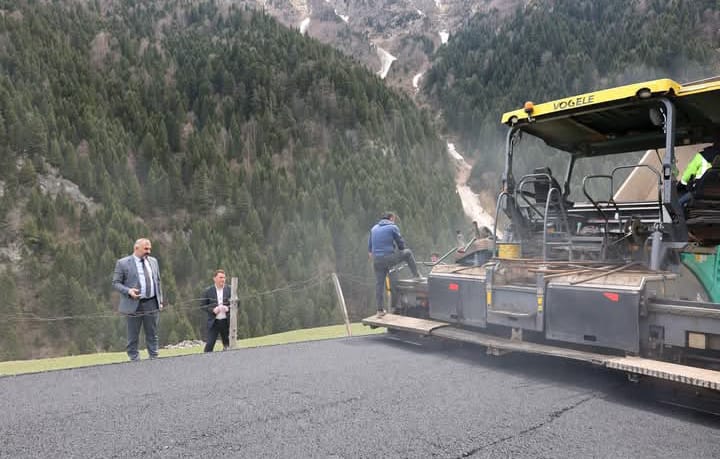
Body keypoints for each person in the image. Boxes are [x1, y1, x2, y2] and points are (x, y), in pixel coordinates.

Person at [112, 238, 164, 361]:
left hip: (151, 303)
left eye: (149, 249)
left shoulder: (153, 261)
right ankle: (134, 359)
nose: (148, 251)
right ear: (136, 248)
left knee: (152, 333)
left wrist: (160, 300)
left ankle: (154, 357)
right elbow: (116, 283)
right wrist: (128, 291)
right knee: (133, 334)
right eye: (146, 249)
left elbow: (157, 281)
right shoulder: (123, 263)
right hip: (133, 304)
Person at [368, 212, 421, 316]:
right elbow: (401, 245)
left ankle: (379, 310)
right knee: (408, 253)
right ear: (391, 218)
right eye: (394, 219)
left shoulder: (373, 229)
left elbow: (370, 250)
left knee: (379, 285)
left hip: (377, 261)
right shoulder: (392, 227)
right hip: (388, 258)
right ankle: (416, 275)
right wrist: (399, 252)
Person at [678, 141, 720, 208]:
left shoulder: (701, 156)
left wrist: (683, 182)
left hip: (699, 194)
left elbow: (687, 175)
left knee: (678, 203)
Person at [200, 269, 232, 352]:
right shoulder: (208, 291)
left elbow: (237, 303)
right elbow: (202, 305)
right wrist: (213, 310)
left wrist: (228, 308)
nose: (223, 280)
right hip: (214, 323)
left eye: (224, 278)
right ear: (214, 279)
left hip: (226, 322)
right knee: (209, 346)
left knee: (228, 346)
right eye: (220, 277)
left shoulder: (230, 289)